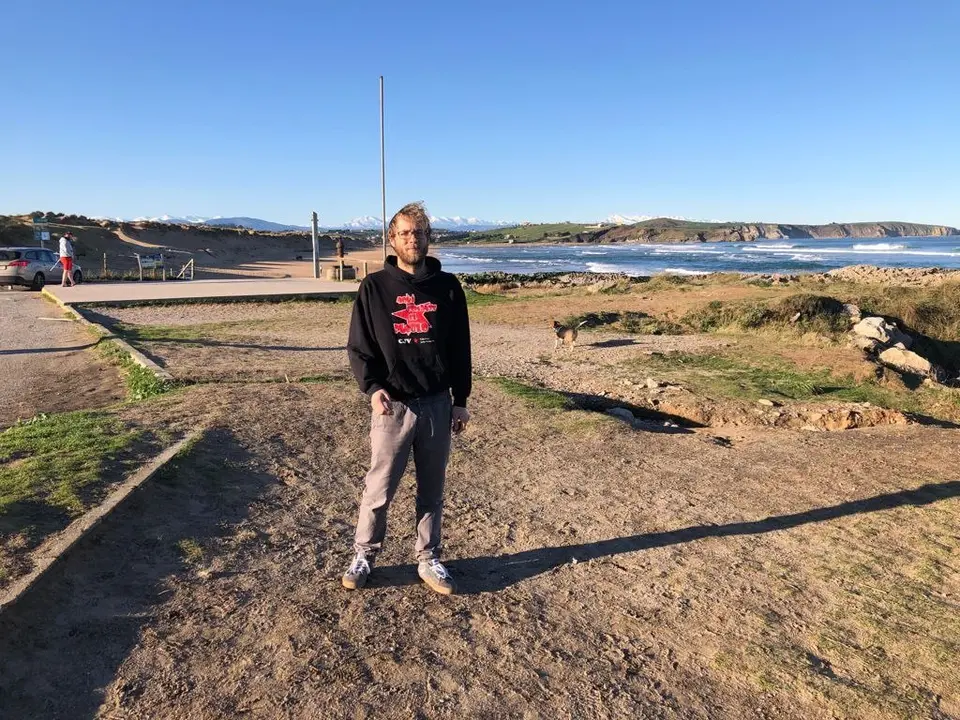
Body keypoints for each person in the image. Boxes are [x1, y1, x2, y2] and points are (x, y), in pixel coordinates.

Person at [343, 202, 472, 595]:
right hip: (393, 405)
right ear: (392, 239)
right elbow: (359, 346)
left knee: (432, 489)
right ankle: (364, 554)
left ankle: (429, 558)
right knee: (379, 488)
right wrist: (372, 387)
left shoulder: (448, 287)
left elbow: (459, 347)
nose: (412, 239)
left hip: (436, 403)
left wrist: (460, 398)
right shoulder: (374, 288)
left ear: (428, 237)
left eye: (419, 232)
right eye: (404, 233)